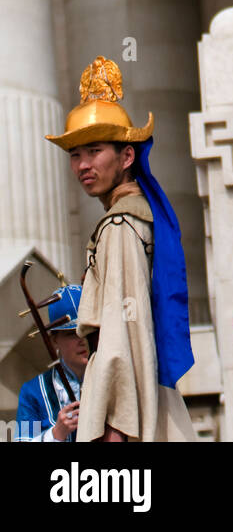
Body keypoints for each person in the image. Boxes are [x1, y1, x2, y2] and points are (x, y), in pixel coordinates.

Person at [45, 55, 196, 442]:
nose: (82, 165)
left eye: (94, 151)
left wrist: (115, 426)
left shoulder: (120, 224)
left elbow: (122, 331)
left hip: (122, 413)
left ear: (127, 156)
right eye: (75, 155)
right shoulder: (132, 217)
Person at [15, 285, 89, 442]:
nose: (82, 340)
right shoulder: (33, 392)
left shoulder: (112, 380)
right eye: (72, 333)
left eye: (88, 331)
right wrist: (56, 434)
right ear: (54, 340)